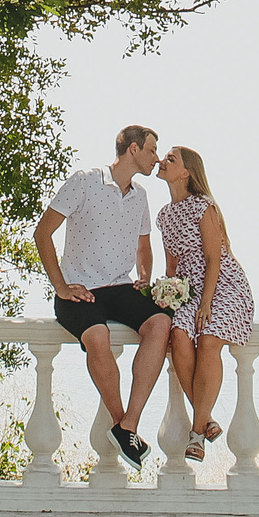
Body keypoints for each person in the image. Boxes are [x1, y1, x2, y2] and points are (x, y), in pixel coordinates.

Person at [34, 125, 172, 468]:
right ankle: (120, 421)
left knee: (160, 323)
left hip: (120, 287)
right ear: (134, 149)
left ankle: (129, 425)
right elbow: (42, 234)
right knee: (99, 336)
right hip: (78, 289)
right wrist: (61, 286)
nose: (157, 158)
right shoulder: (84, 181)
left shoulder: (140, 195)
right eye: (153, 150)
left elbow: (144, 245)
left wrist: (144, 275)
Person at [155, 144, 252, 461]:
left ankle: (196, 435)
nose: (162, 161)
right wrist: (167, 299)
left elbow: (213, 259)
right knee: (179, 336)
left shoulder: (203, 206)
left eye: (171, 158)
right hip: (188, 289)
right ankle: (205, 416)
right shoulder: (165, 216)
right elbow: (171, 265)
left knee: (208, 339)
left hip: (223, 285)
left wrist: (206, 303)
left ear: (186, 172)